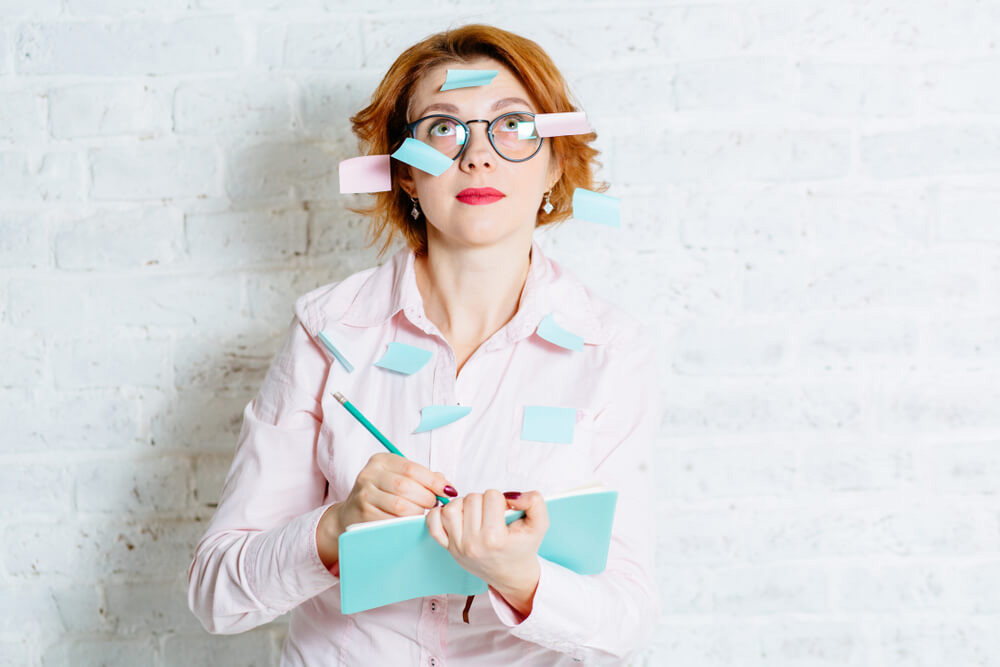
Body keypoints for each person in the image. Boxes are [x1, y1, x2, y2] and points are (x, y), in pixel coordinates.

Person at [187, 24, 660, 666]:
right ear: (406, 174)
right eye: (444, 129)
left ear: (554, 161)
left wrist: (521, 578)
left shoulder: (611, 351)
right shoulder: (328, 331)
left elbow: (627, 620)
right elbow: (217, 596)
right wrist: (335, 529)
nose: (477, 156)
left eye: (513, 125)